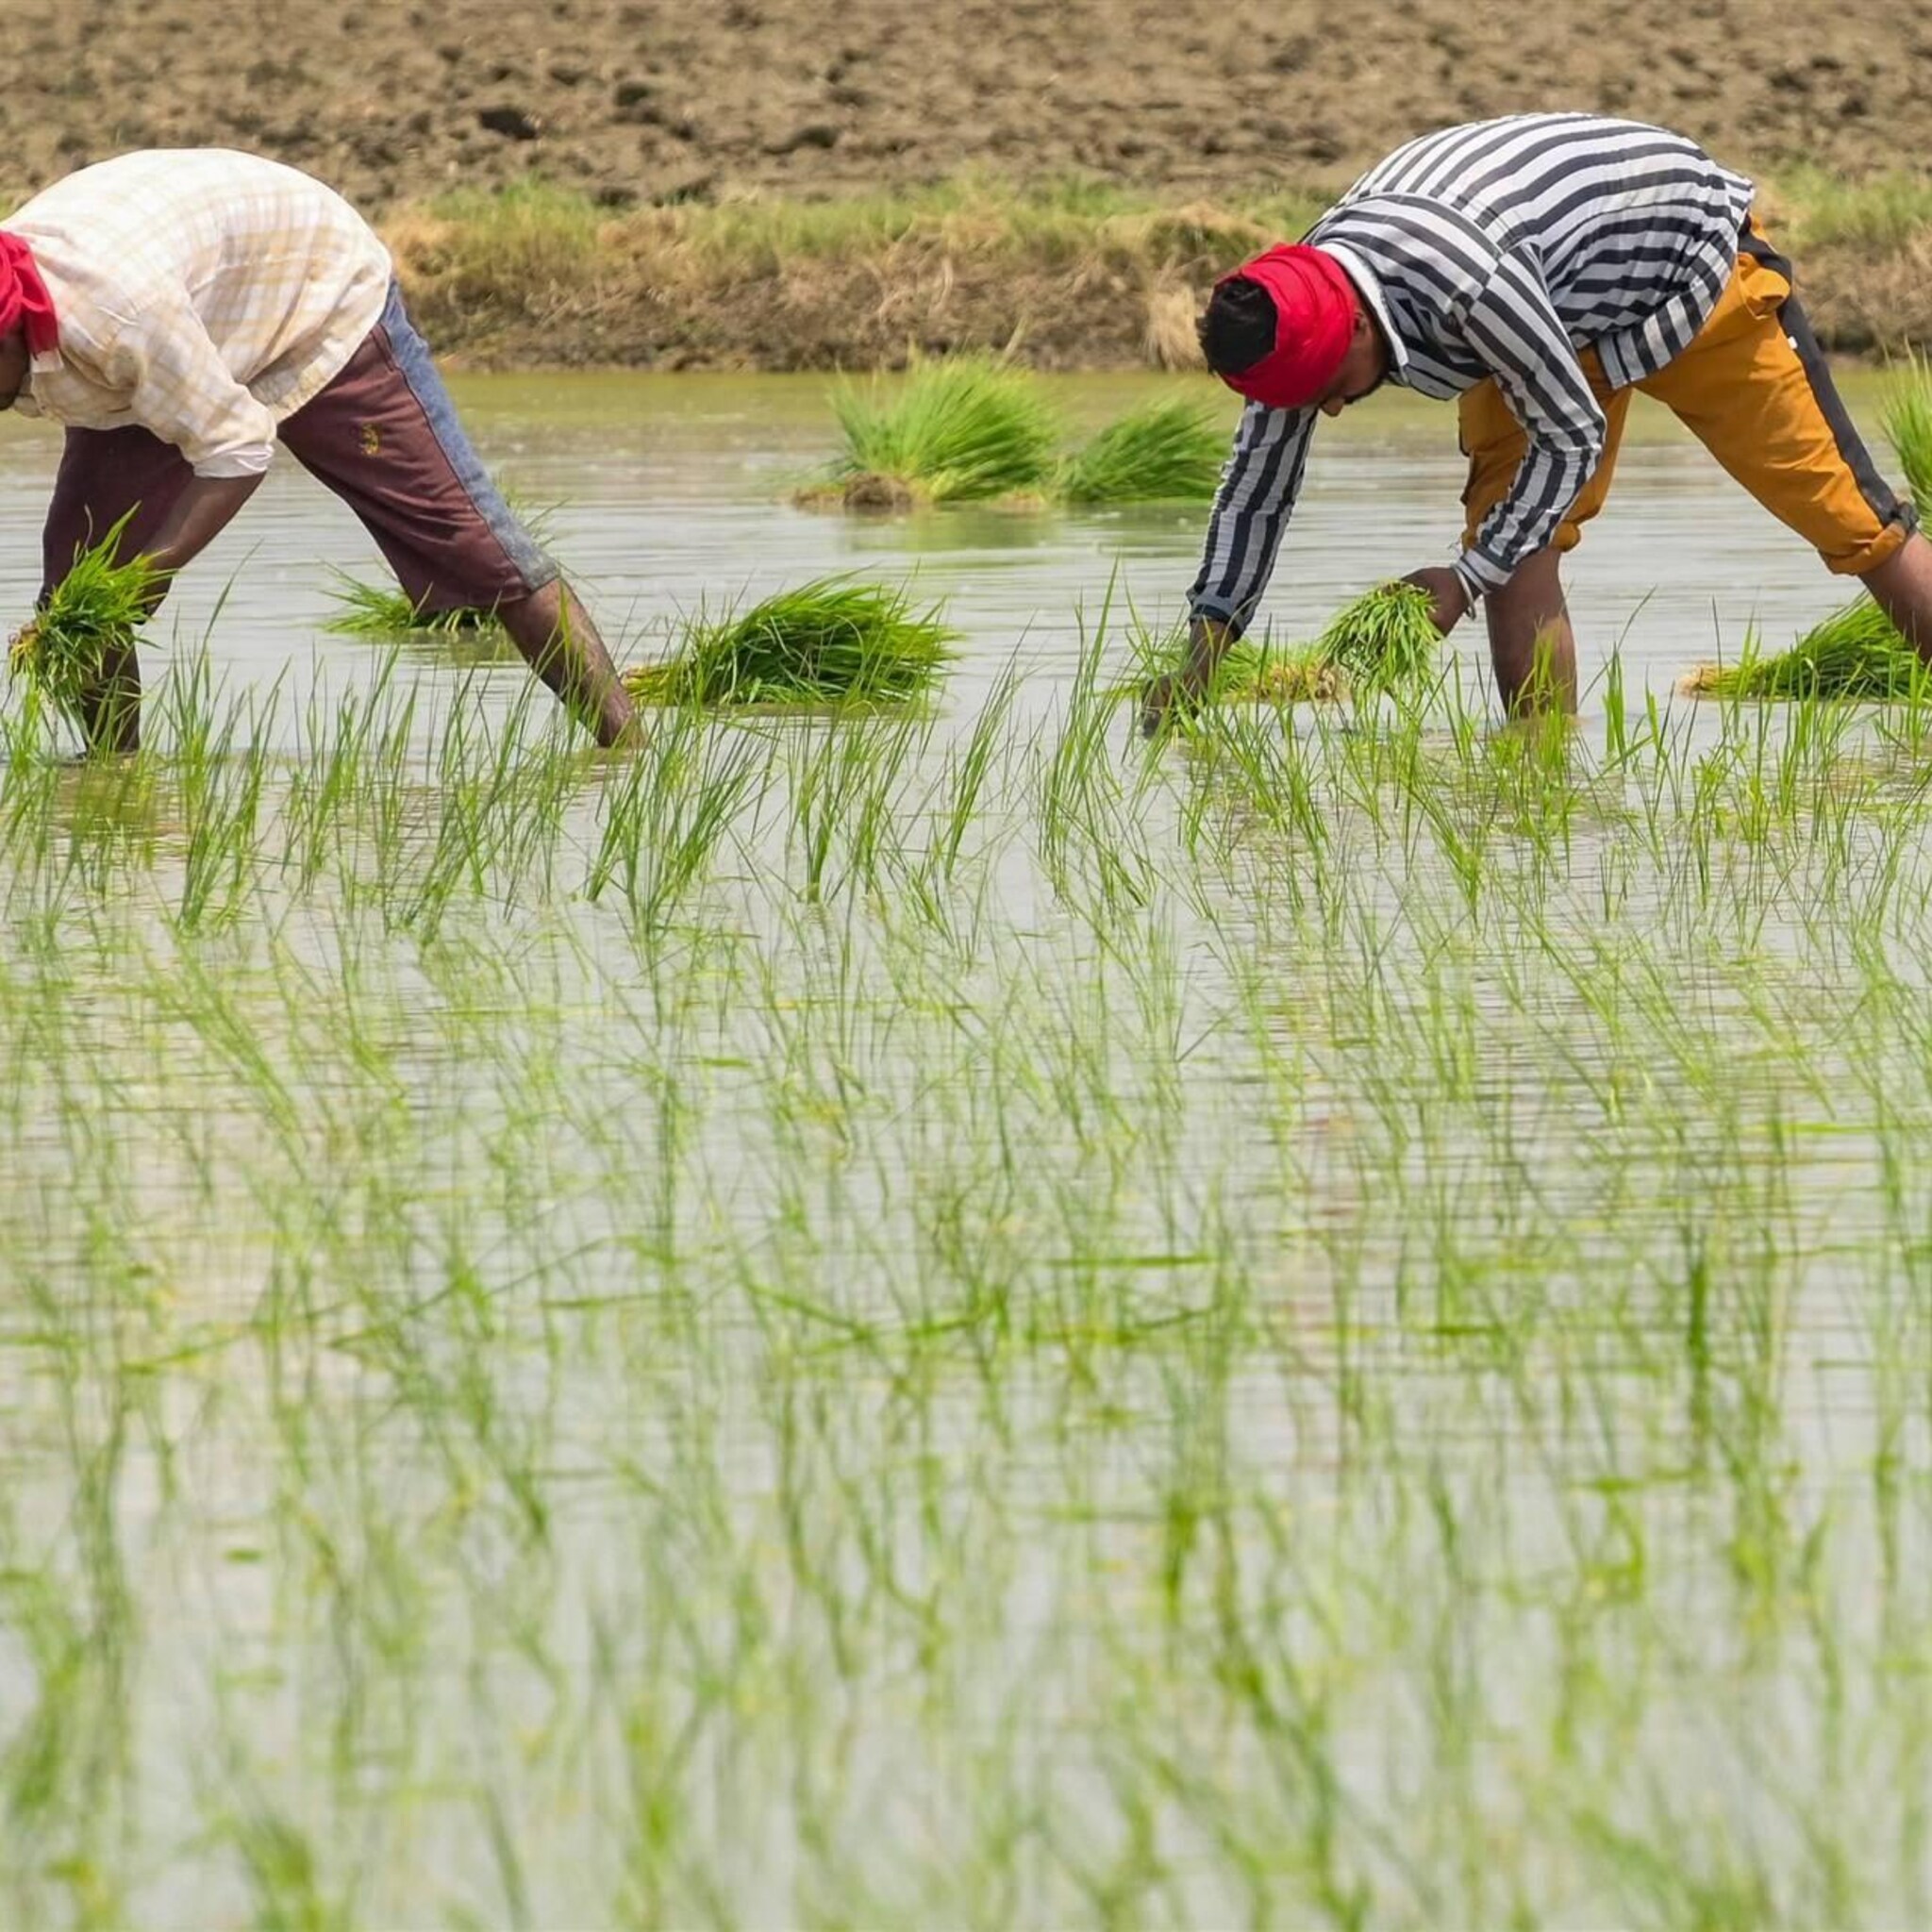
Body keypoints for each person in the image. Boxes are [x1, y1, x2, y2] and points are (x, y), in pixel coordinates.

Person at [1141, 112, 1932, 733]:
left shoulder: (1467, 282)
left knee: (1853, 523)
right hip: (1545, 309)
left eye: (1332, 390)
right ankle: (1537, 784)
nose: (1335, 409)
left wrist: (1462, 580)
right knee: (1517, 544)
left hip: (1686, 277)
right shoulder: (1290, 309)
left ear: (1352, 325)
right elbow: (1255, 491)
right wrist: (1202, 658)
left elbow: (1572, 434)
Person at [0, 147, 639, 752]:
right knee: (79, 583)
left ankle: (628, 751)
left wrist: (150, 571)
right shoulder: (82, 326)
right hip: (189, 308)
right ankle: (113, 775)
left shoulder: (119, 322)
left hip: (309, 289)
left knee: (477, 548)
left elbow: (237, 450)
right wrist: (114, 583)